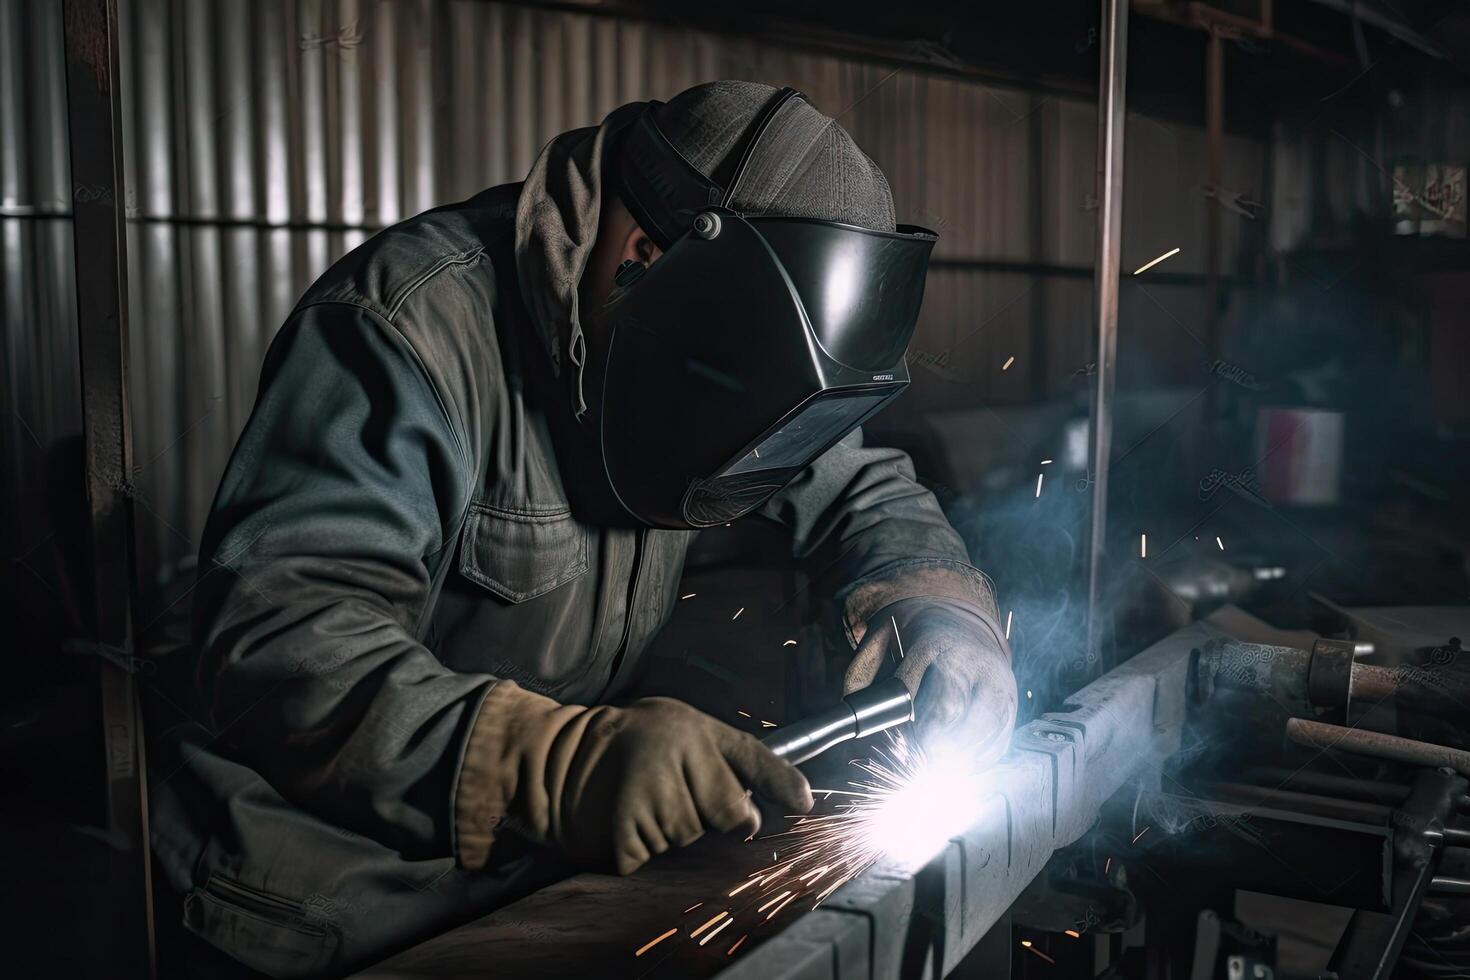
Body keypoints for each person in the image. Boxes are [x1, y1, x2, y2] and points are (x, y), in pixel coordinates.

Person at [147, 80, 1016, 978]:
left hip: (517, 887)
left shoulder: (709, 339)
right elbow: (280, 638)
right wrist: (549, 765)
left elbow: (856, 485)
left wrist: (938, 607)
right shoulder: (408, 328)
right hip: (312, 911)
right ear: (645, 257)